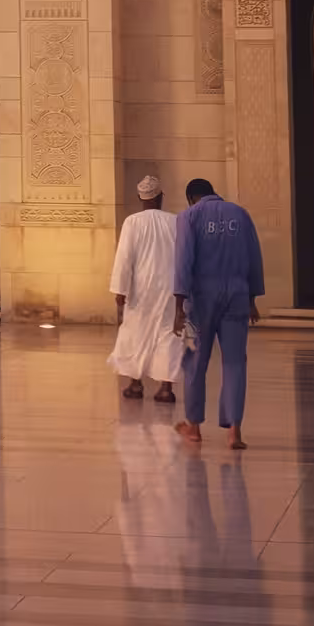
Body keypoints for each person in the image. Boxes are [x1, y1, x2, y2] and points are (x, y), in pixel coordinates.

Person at [172, 176, 264, 451]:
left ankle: (194, 427)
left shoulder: (189, 216)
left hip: (201, 301)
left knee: (194, 362)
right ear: (214, 193)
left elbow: (183, 262)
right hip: (236, 296)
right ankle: (234, 431)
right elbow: (254, 258)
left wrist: (178, 306)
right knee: (235, 362)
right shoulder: (240, 214)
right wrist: (252, 299)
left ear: (191, 198)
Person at [108, 174, 184, 403]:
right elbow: (183, 258)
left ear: (140, 198)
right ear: (161, 197)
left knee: (136, 333)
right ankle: (165, 388)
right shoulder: (175, 221)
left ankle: (135, 384)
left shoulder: (132, 221)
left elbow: (124, 258)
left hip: (140, 290)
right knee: (167, 334)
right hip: (169, 289)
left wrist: (120, 290)